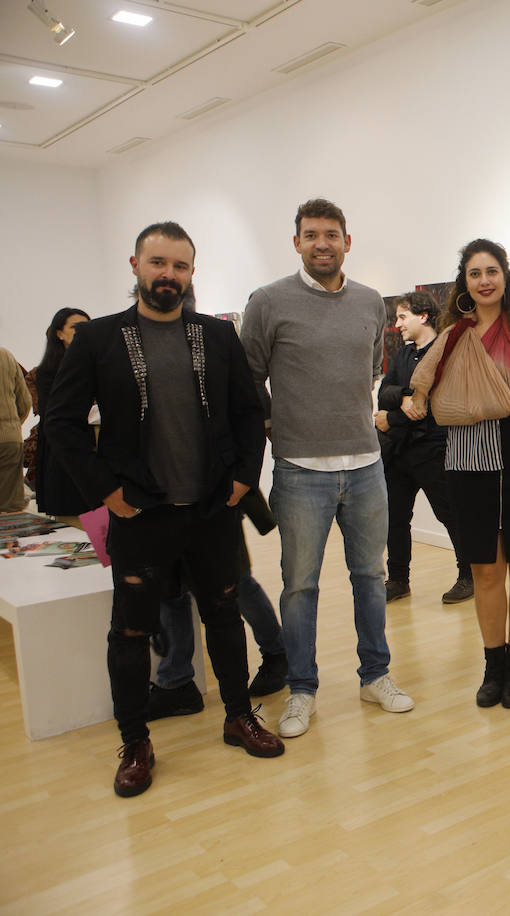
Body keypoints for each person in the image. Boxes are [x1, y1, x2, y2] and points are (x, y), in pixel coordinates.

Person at [45, 221, 283, 797]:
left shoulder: (216, 336)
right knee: (129, 631)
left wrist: (243, 476)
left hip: (209, 509)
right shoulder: (99, 340)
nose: (167, 276)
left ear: (191, 273)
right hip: (139, 513)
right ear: (135, 266)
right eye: (158, 264)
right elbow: (61, 421)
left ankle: (238, 715)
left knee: (224, 617)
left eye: (179, 266)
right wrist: (104, 490)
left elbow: (252, 411)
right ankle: (135, 740)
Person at [240, 198, 414, 740]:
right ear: (296, 242)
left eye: (332, 234)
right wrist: (275, 427)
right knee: (300, 587)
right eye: (311, 234)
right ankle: (302, 689)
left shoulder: (370, 303)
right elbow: (247, 382)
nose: (322, 243)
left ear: (347, 241)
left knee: (370, 577)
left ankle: (375, 675)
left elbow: (368, 369)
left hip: (366, 465)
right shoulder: (268, 302)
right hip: (299, 470)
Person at [404, 239, 510, 709]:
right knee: (486, 569)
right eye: (475, 274)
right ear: (465, 283)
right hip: (468, 465)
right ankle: (492, 666)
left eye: (492, 271)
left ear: (506, 277)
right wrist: (490, 406)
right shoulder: (454, 337)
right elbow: (439, 407)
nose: (485, 281)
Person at [147, 488, 289, 718]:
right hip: (160, 508)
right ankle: (176, 681)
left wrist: (241, 491)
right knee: (171, 590)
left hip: (212, 502)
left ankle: (277, 653)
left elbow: (239, 456)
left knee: (235, 583)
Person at [375, 290, 474, 605]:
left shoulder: (445, 352)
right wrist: (407, 394)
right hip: (400, 451)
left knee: (451, 514)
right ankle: (398, 580)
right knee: (395, 517)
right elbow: (385, 392)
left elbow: (434, 405)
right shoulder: (403, 354)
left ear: (423, 316)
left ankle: (468, 575)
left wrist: (391, 417)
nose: (397, 324)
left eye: (402, 317)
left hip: (433, 449)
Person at [32, 309, 94, 520]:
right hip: (63, 448)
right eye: (76, 328)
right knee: (71, 511)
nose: (82, 333)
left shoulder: (97, 365)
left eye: (87, 327)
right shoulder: (48, 372)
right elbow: (53, 414)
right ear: (59, 334)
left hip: (94, 446)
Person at [0, 347, 32, 512]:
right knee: (11, 507)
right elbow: (25, 402)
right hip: (8, 440)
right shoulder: (6, 355)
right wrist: (11, 425)